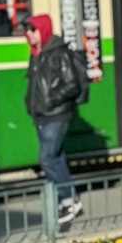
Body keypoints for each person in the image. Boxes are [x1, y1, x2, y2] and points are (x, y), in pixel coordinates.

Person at [22, 15, 89, 227]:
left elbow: (72, 84)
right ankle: (69, 199)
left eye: (32, 29)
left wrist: (51, 99)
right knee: (57, 157)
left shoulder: (57, 54)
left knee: (47, 158)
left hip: (56, 114)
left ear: (43, 29)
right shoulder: (37, 54)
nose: (28, 34)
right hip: (42, 115)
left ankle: (69, 201)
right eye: (27, 30)